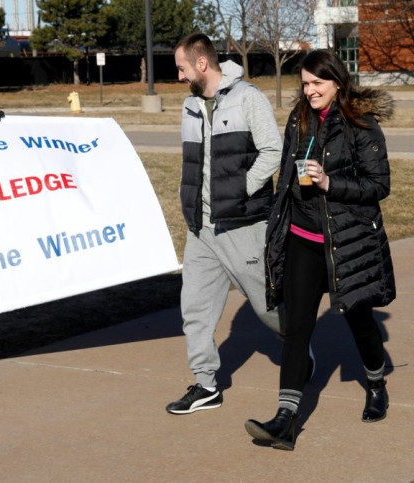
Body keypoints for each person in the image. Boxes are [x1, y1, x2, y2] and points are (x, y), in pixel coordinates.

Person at [245, 49, 396, 450]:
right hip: (302, 238)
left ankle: (376, 383)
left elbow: (379, 185)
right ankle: (285, 420)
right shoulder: (300, 117)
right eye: (305, 84)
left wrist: (331, 183)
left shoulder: (361, 124)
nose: (310, 91)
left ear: (337, 82)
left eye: (317, 84)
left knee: (359, 319)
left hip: (346, 241)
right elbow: (286, 173)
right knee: (296, 328)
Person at [166, 33, 285, 415]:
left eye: (182, 68)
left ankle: (300, 349)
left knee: (269, 307)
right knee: (195, 309)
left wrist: (240, 190)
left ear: (202, 64)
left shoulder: (248, 97)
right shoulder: (188, 106)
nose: (180, 76)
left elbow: (273, 151)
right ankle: (206, 385)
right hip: (201, 229)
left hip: (243, 224)